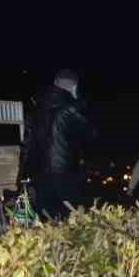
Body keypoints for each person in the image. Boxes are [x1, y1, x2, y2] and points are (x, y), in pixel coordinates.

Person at [27, 70, 94, 221]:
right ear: (74, 87)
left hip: (40, 175)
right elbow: (90, 134)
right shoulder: (71, 108)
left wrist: (24, 175)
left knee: (46, 221)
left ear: (55, 84)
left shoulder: (37, 110)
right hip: (65, 173)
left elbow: (28, 144)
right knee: (71, 220)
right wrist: (78, 100)